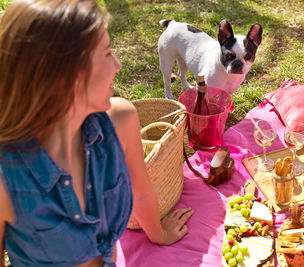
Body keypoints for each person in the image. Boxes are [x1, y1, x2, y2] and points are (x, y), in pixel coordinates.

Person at [0, 0, 193, 266]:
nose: (117, 65)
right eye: (105, 53)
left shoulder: (121, 121)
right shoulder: (6, 176)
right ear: (63, 75)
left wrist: (159, 234)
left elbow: (141, 192)